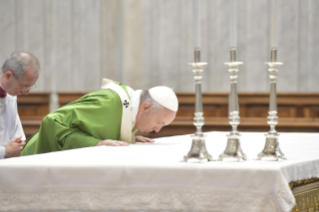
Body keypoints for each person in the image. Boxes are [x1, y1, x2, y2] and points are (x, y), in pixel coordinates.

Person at [21, 78, 178, 156]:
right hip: (32, 160)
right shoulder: (108, 102)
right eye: (159, 122)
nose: (157, 130)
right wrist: (95, 143)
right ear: (145, 107)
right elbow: (52, 122)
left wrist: (128, 136)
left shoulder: (131, 109)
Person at [0, 52, 40, 159]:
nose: (26, 92)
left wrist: (19, 145)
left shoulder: (11, 94)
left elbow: (18, 134)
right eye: (24, 86)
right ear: (9, 75)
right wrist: (5, 151)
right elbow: (8, 150)